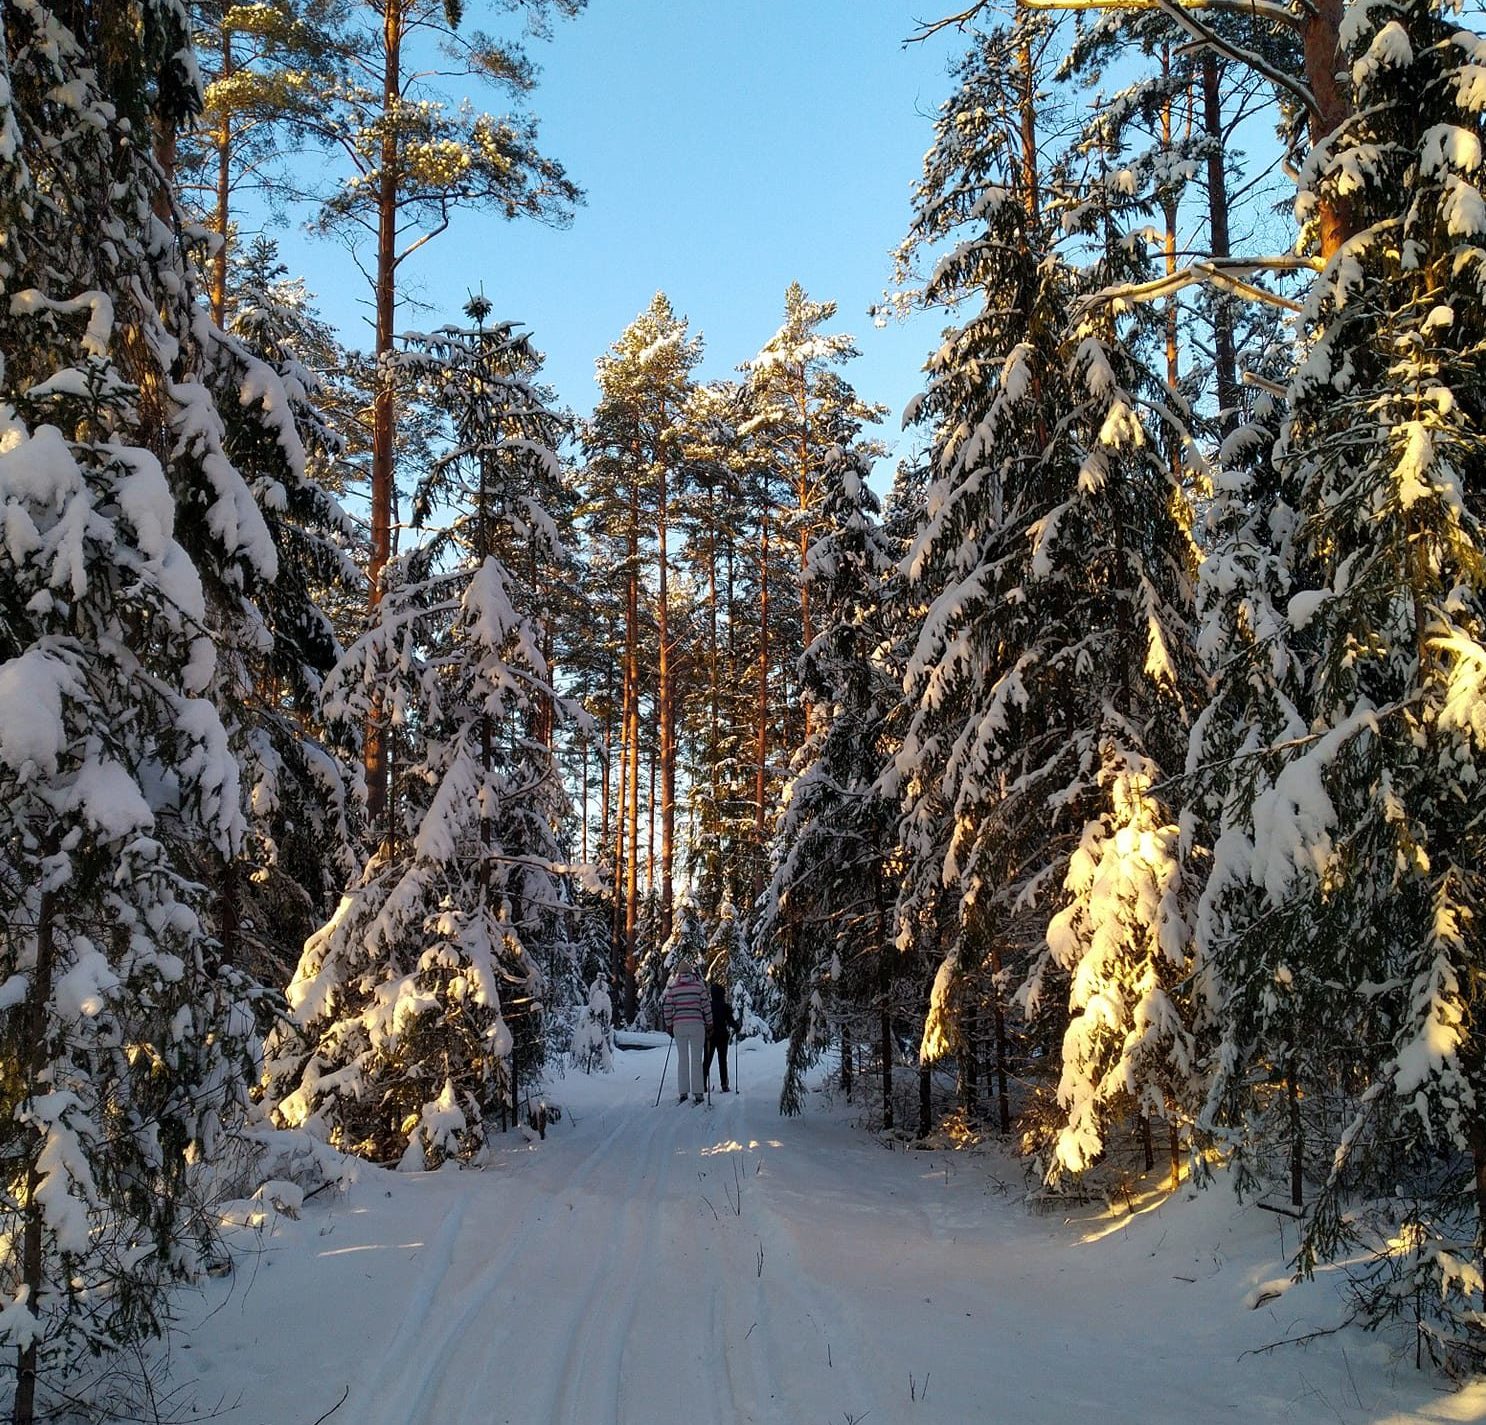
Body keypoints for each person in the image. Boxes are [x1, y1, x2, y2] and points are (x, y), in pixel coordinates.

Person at [660, 958, 711, 1104]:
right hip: (697, 1025)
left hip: (679, 1026)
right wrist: (709, 1023)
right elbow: (706, 1006)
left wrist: (669, 1025)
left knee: (682, 1059)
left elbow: (667, 1007)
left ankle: (683, 1092)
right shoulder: (699, 986)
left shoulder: (673, 988)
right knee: (696, 1059)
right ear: (690, 972)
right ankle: (699, 1093)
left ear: (679, 974)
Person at [703, 980, 741, 1093]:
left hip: (710, 1035)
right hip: (722, 1036)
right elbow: (730, 1021)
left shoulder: (708, 1006)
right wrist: (737, 1027)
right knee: (722, 1060)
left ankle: (702, 1084)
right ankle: (724, 1084)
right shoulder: (725, 1007)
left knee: (707, 1060)